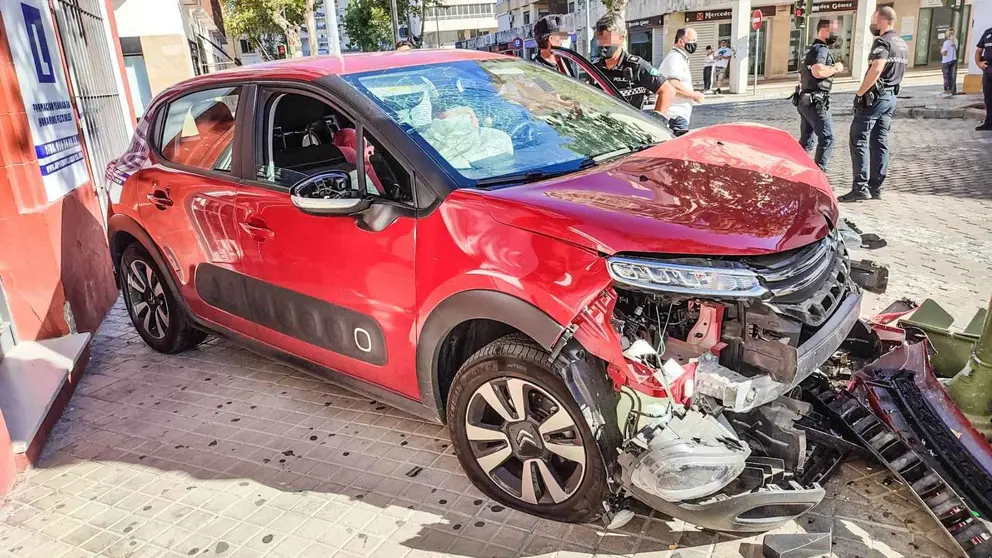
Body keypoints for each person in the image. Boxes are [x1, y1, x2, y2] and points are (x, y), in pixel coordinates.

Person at [839, 6, 907, 202]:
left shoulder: (882, 42)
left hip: (876, 98)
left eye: (873, 20)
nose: (872, 24)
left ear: (883, 21)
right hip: (890, 97)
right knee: (879, 141)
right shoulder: (901, 43)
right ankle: (876, 187)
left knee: (858, 138)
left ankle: (860, 187)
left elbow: (877, 68)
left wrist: (860, 93)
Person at [591, 12, 675, 118]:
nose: (603, 44)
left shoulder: (636, 67)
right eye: (600, 39)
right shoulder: (594, 68)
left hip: (628, 126)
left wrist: (657, 119)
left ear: (621, 38)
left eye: (608, 39)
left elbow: (668, 91)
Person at [797, 19, 844, 171]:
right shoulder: (821, 49)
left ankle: (796, 169)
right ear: (823, 30)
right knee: (827, 138)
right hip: (816, 102)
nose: (835, 35)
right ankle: (818, 174)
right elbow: (817, 71)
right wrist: (836, 68)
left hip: (805, 100)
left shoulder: (809, 49)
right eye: (833, 31)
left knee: (806, 142)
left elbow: (801, 75)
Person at [659, 28, 704, 136]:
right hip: (675, 116)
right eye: (692, 40)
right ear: (680, 41)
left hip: (677, 116)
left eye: (696, 41)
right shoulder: (675, 58)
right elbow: (672, 85)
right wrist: (694, 95)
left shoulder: (679, 57)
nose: (694, 44)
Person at [975, 25, 992, 131]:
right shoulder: (987, 33)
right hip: (988, 71)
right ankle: (989, 123)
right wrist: (979, 63)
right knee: (988, 98)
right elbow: (978, 51)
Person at [940, 28, 958, 96]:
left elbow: (944, 53)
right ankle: (950, 90)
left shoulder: (947, 42)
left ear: (947, 35)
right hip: (953, 60)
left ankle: (946, 91)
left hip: (946, 61)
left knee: (946, 76)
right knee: (950, 76)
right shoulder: (955, 41)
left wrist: (941, 50)